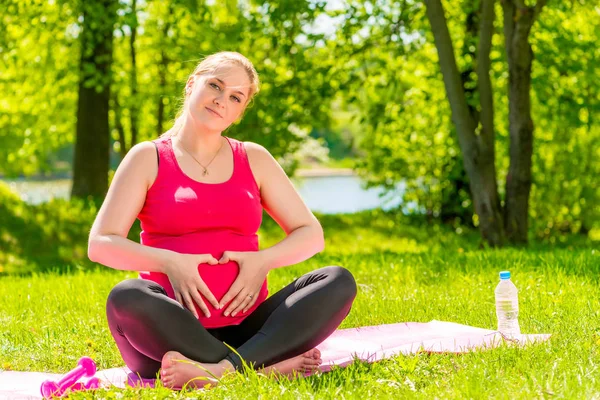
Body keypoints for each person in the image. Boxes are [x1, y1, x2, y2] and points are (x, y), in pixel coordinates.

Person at [88, 51, 357, 389]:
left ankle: (220, 372)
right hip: (169, 333)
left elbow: (311, 235)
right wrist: (171, 262)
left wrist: (263, 261)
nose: (221, 100)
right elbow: (101, 244)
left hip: (250, 329)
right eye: (215, 85)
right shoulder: (148, 157)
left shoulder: (254, 158)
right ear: (191, 85)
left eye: (235, 96)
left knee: (337, 281)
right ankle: (261, 369)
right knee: (126, 296)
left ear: (241, 110)